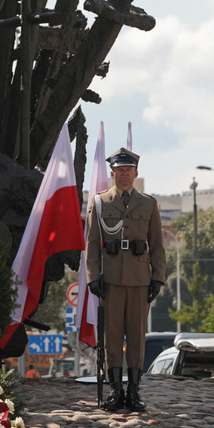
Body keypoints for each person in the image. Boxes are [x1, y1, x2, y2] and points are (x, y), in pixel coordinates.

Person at [85, 148, 165, 412]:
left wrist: (158, 278)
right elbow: (91, 244)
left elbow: (157, 246)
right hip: (110, 280)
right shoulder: (100, 202)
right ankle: (116, 390)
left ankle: (134, 390)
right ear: (112, 174)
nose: (124, 175)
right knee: (113, 336)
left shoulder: (149, 204)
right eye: (119, 171)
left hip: (140, 280)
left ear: (136, 173)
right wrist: (93, 277)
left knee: (137, 337)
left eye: (128, 170)